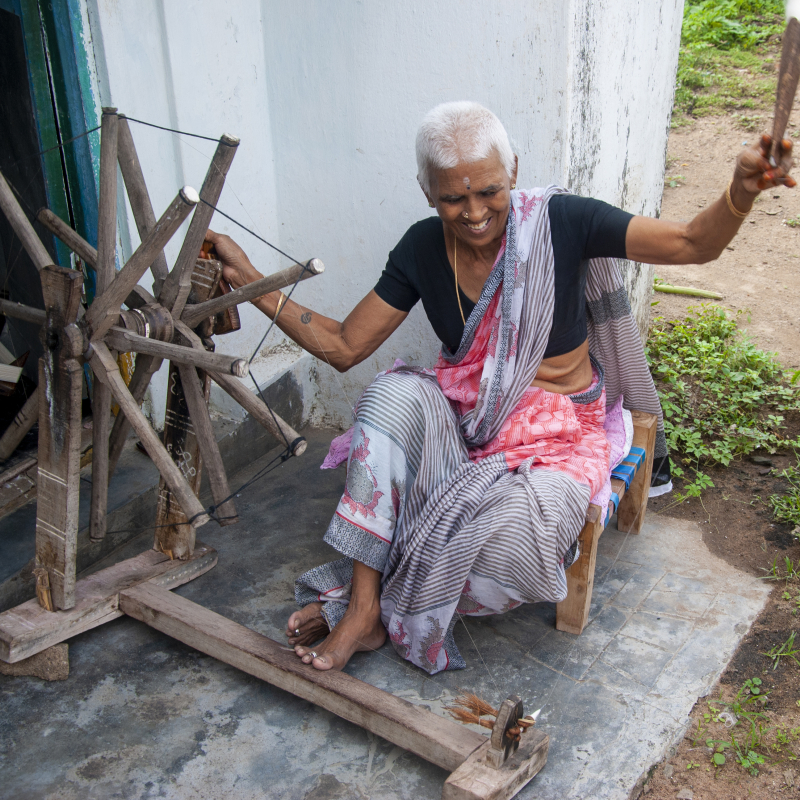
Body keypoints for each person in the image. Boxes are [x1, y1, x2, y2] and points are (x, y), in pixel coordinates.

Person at [207, 102, 793, 675]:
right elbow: (343, 346)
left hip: (558, 440)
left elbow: (693, 244)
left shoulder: (560, 223)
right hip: (470, 428)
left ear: (514, 169)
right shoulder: (421, 247)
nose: (474, 212)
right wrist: (254, 281)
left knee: (508, 556)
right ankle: (361, 612)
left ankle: (371, 602)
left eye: (488, 190)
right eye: (452, 198)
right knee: (389, 397)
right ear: (426, 191)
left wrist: (740, 191)